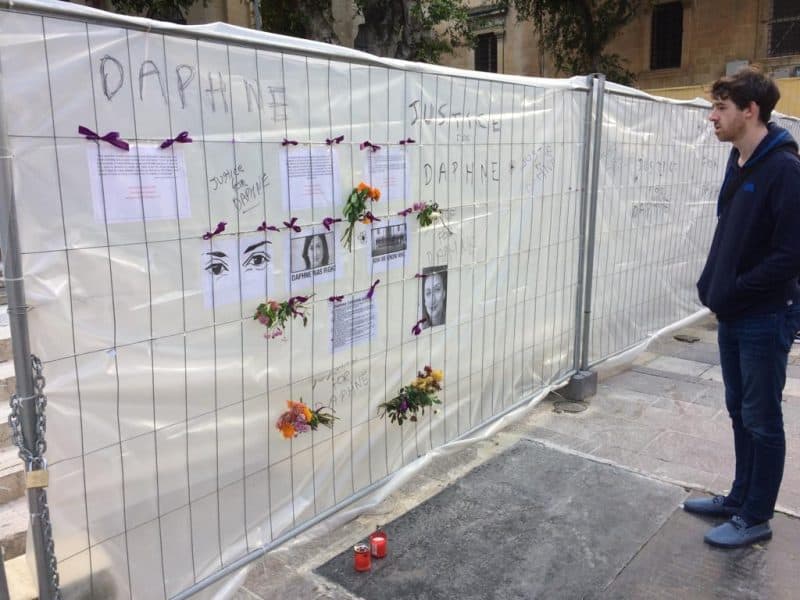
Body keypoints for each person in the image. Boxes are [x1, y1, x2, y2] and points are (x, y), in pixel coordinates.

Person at [690, 67, 800, 548]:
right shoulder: (740, 161)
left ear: (750, 111)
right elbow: (731, 235)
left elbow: (791, 255)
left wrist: (737, 289)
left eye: (721, 108)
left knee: (761, 417)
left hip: (766, 314)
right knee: (739, 409)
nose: (712, 117)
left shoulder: (784, 170)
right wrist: (713, 284)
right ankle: (739, 497)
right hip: (736, 312)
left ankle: (756, 516)